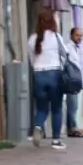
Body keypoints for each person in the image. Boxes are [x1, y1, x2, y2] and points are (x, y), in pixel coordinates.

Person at [26, 8, 68, 150]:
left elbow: (31, 60)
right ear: (52, 21)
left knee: (42, 108)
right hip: (54, 75)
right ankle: (56, 140)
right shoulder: (56, 37)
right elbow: (65, 54)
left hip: (38, 75)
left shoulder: (32, 39)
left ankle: (38, 126)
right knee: (56, 108)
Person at [66, 27, 83, 137]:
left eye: (81, 35)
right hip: (70, 79)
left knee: (74, 105)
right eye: (77, 35)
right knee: (72, 105)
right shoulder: (67, 47)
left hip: (78, 80)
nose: (80, 38)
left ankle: (72, 127)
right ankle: (72, 128)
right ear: (71, 35)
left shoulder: (82, 48)